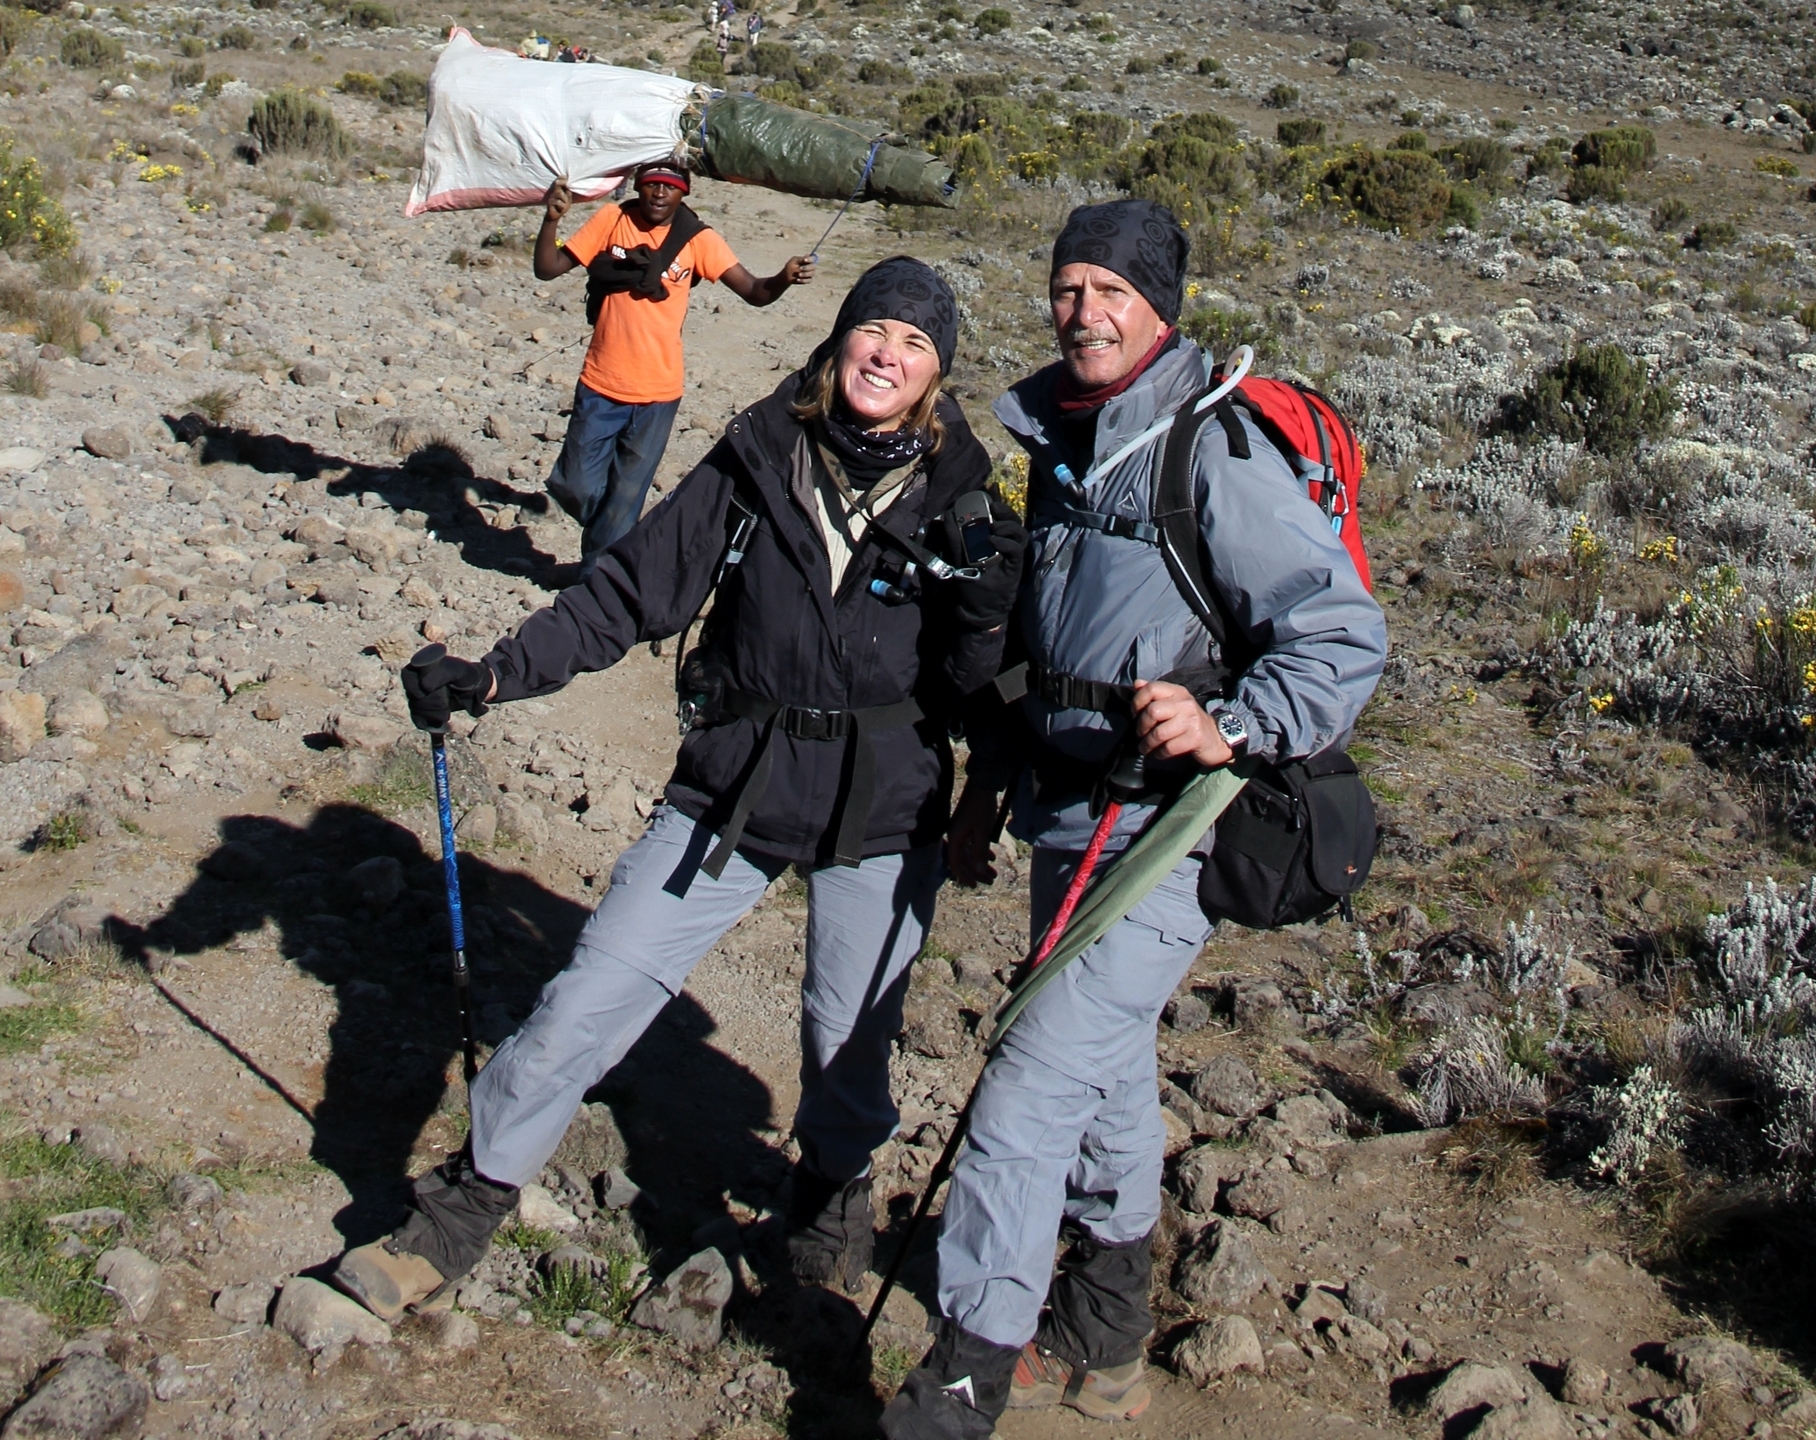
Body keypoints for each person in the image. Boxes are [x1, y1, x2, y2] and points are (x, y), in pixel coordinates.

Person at [330, 258, 1029, 1322]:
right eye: (874, 330)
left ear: (938, 374)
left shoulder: (964, 500)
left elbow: (983, 688)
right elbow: (630, 590)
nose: (888, 355)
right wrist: (498, 674)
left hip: (883, 812)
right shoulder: (759, 458)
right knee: (585, 999)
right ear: (839, 338)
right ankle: (467, 1202)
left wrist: (986, 613)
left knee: (849, 1040)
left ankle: (831, 1190)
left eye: (916, 343)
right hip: (732, 788)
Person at [880, 201, 1387, 1437]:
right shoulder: (1067, 438)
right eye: (1068, 287)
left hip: (1166, 826)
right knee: (1098, 1068)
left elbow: (1337, 634)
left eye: (1110, 290)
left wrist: (1234, 724)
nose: (1084, 312)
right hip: (1066, 806)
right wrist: (988, 788)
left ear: (1160, 307)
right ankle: (1103, 1337)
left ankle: (962, 1380)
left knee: (1026, 1085)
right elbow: (1042, 644)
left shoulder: (1210, 447)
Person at [532, 163, 816, 577]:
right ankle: (607, 537)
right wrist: (551, 220)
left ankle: (594, 584)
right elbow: (548, 268)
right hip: (600, 384)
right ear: (638, 187)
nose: (660, 193)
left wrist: (783, 278)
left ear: (684, 193)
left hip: (658, 396)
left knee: (625, 499)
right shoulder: (612, 219)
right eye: (652, 185)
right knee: (575, 485)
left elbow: (754, 292)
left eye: (670, 186)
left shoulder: (698, 239)